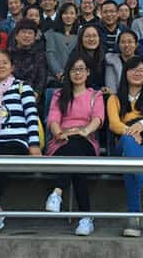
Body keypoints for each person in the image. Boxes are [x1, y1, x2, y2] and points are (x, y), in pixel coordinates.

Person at [0, 49, 42, 236]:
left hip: (15, 140)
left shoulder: (22, 87)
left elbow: (31, 116)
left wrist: (34, 144)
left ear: (12, 67)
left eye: (5, 62)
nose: (0, 66)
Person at [44, 55, 105, 236]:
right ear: (68, 73)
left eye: (81, 69)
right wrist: (60, 134)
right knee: (77, 163)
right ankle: (86, 218)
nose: (77, 73)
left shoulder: (95, 95)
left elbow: (98, 118)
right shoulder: (59, 94)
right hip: (61, 142)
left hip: (87, 141)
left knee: (77, 144)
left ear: (88, 72)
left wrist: (84, 131)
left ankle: (57, 192)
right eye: (73, 70)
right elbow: (53, 119)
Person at [107, 56, 143, 237]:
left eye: (141, 70)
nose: (137, 73)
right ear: (125, 73)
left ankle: (135, 218)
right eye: (133, 70)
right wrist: (131, 132)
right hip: (123, 144)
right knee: (128, 143)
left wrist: (141, 125)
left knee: (130, 162)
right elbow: (114, 124)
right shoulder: (114, 99)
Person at [10, 18, 48, 101]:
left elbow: (41, 79)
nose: (27, 36)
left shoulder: (40, 55)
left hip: (31, 95)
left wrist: (36, 94)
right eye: (23, 32)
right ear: (16, 36)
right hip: (9, 93)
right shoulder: (8, 54)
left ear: (35, 37)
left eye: (30, 33)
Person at [105, 30, 143, 94]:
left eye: (130, 42)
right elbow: (111, 90)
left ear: (136, 44)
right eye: (123, 42)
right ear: (118, 45)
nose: (126, 45)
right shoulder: (111, 62)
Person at [45, 2, 79, 85]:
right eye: (65, 13)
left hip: (76, 77)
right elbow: (51, 55)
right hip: (55, 78)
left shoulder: (80, 34)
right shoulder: (51, 34)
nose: (68, 16)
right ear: (60, 15)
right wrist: (60, 73)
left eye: (72, 13)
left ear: (76, 16)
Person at [70, 23, 108, 92]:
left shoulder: (103, 54)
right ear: (81, 39)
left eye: (94, 36)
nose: (91, 39)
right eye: (87, 36)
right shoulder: (75, 56)